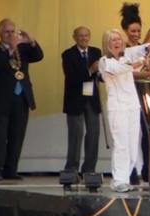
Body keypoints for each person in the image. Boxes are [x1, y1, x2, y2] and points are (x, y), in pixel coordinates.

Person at [0, 18, 43, 180]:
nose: (10, 35)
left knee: (16, 135)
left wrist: (31, 41)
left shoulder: (22, 49)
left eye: (12, 31)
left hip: (21, 98)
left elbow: (38, 56)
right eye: (6, 32)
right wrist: (10, 49)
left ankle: (11, 170)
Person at [98, 29, 150, 192]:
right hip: (117, 108)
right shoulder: (104, 61)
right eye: (113, 40)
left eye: (119, 39)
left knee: (132, 146)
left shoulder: (127, 54)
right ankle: (118, 180)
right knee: (121, 144)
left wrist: (149, 48)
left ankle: (126, 178)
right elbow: (120, 68)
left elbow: (143, 47)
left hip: (132, 106)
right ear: (107, 44)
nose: (117, 42)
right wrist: (138, 62)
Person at [61, 26, 102, 175]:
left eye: (86, 35)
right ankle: (71, 169)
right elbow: (72, 77)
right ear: (74, 37)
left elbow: (100, 75)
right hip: (75, 100)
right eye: (80, 36)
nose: (84, 38)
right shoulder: (67, 54)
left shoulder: (96, 52)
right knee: (75, 135)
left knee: (93, 134)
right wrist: (90, 71)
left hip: (92, 100)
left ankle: (89, 169)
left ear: (89, 36)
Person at [120, 1, 149, 184]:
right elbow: (125, 72)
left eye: (138, 31)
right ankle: (130, 172)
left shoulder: (144, 49)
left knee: (147, 133)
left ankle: (147, 170)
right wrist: (142, 72)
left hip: (144, 95)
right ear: (125, 30)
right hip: (127, 96)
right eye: (133, 31)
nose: (136, 34)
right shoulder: (121, 49)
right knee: (129, 135)